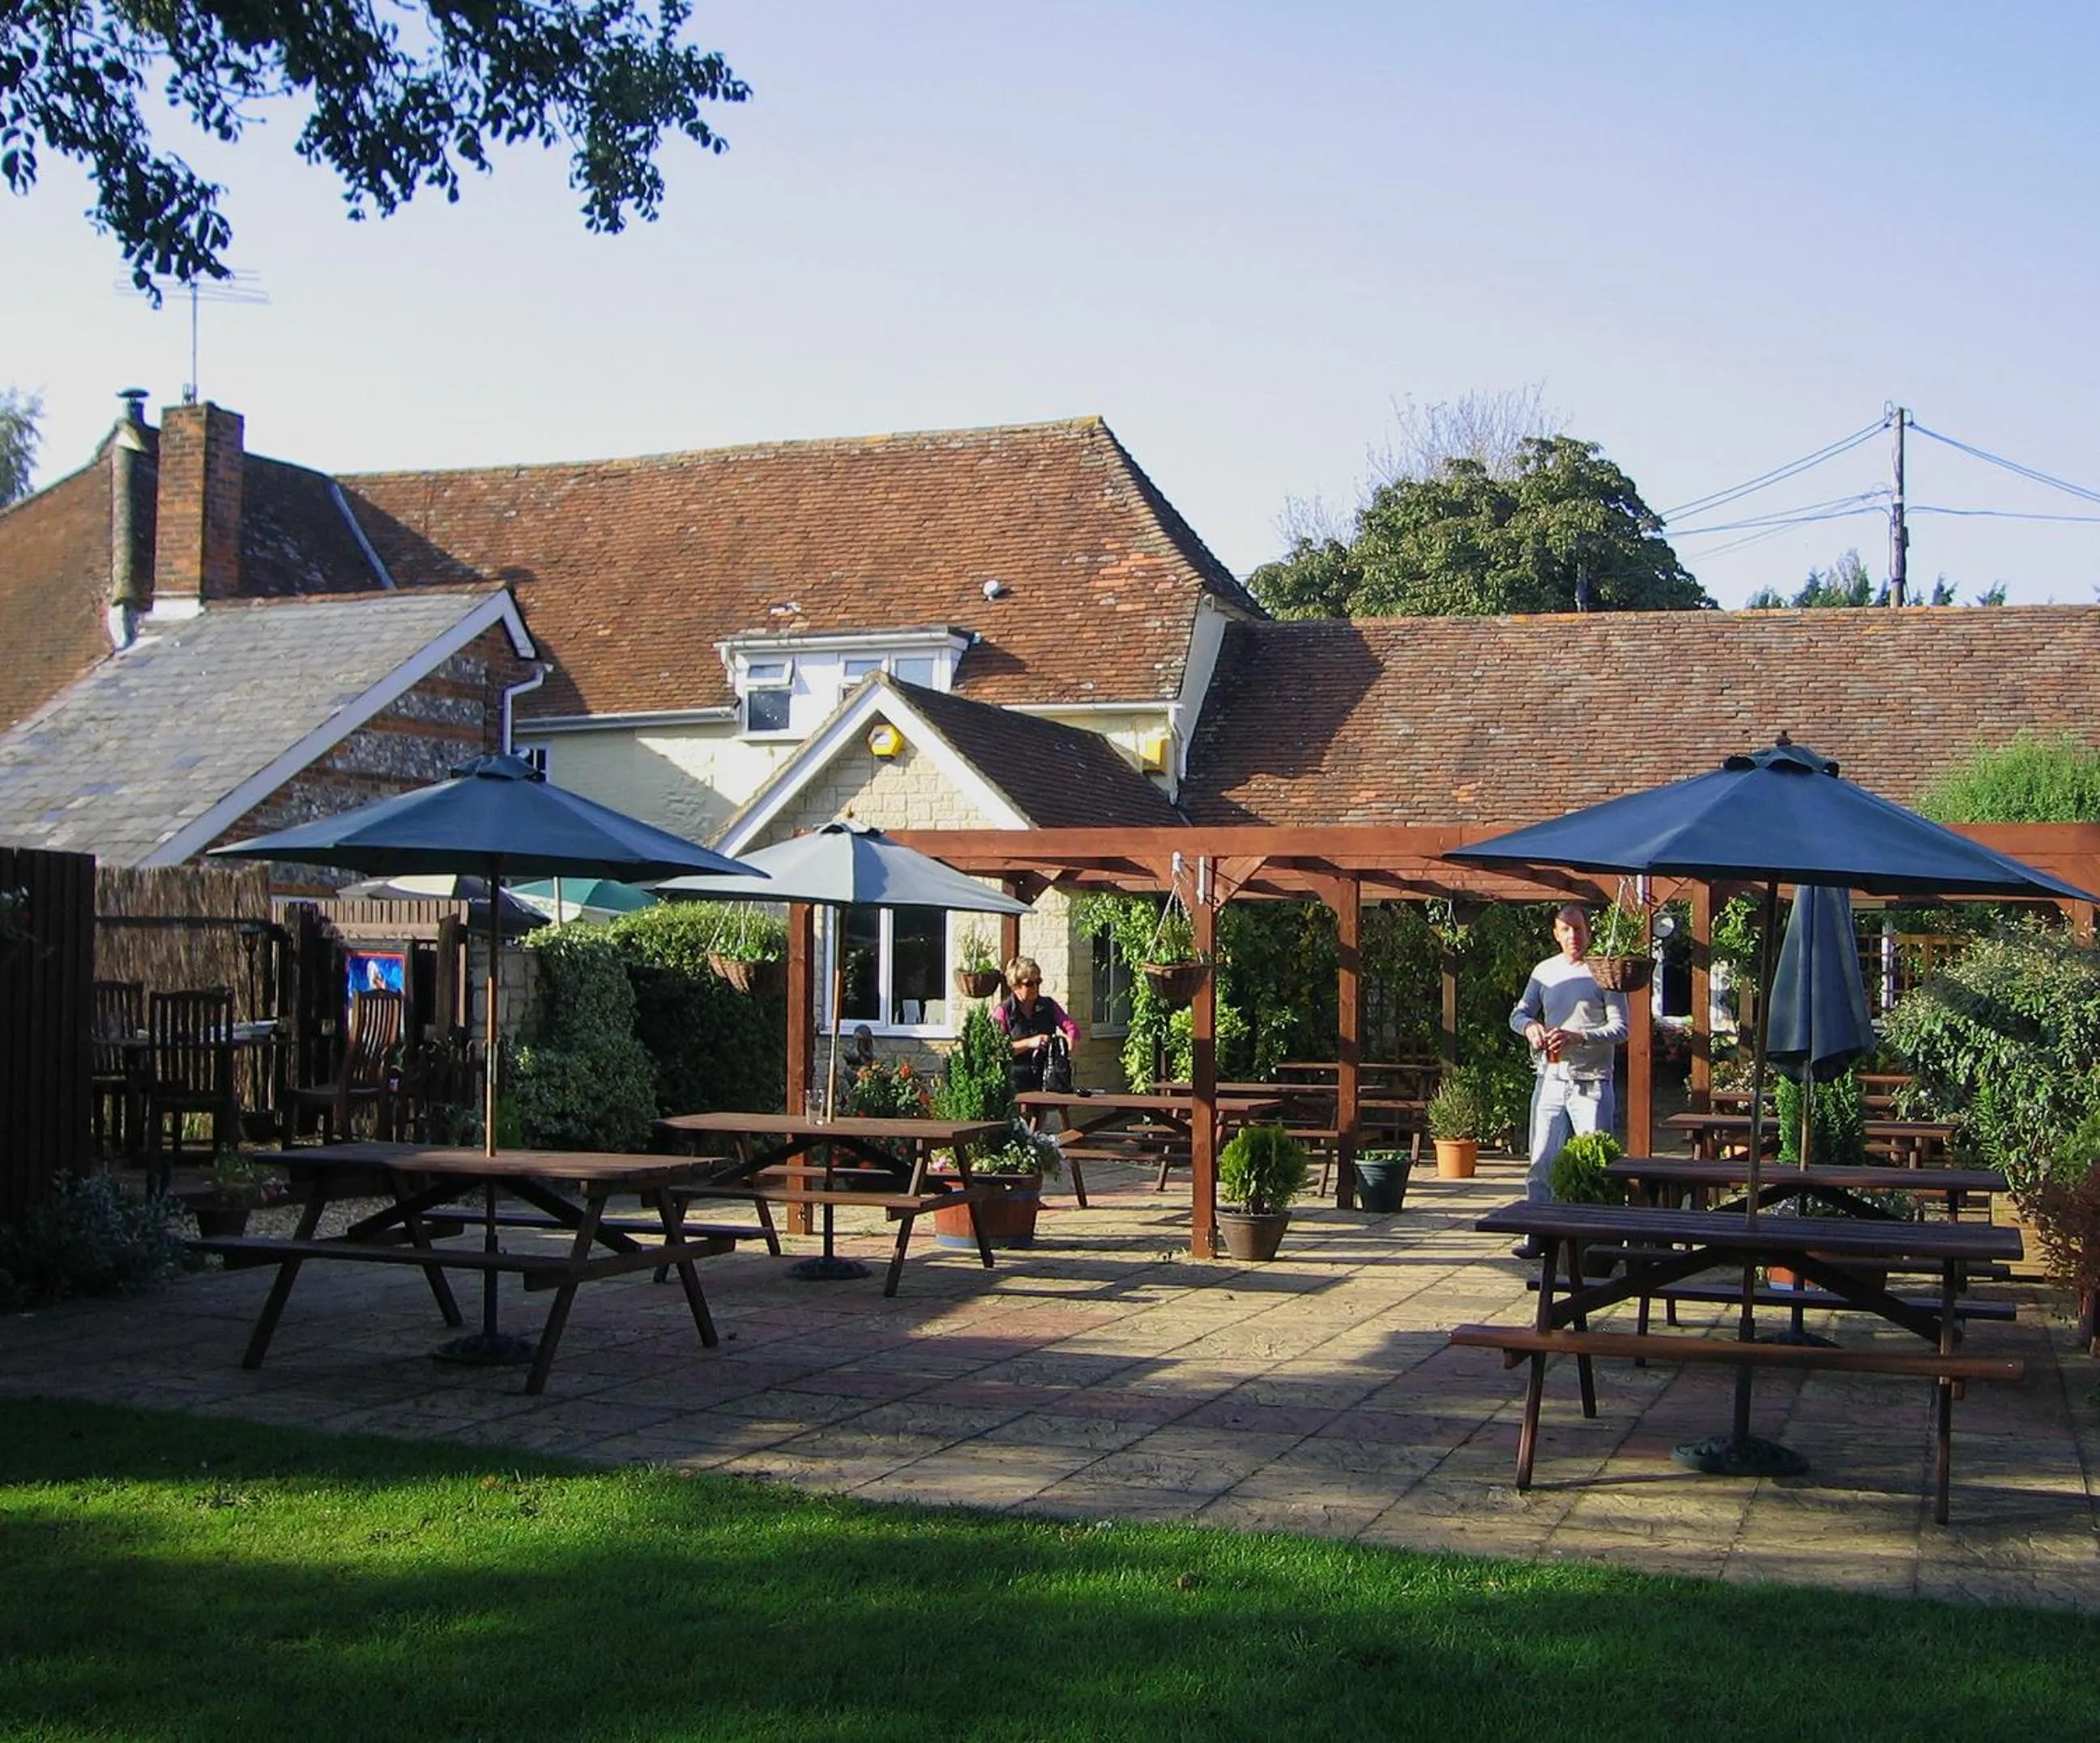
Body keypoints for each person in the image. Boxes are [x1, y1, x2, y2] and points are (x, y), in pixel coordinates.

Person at [1507, 904, 1629, 1254]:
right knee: (1541, 1157)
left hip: (1592, 1082)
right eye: (1566, 929)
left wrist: (1578, 1037)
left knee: (1594, 1163)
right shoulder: (1544, 971)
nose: (1573, 935)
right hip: (1550, 1077)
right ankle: (1537, 1234)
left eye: (1578, 928)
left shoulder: (1604, 972)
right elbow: (1519, 1013)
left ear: (1588, 932)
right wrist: (1530, 1028)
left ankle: (1596, 1240)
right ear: (1555, 934)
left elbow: (1622, 1029)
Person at [992, 955, 1081, 1093]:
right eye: (1029, 984)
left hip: (1046, 1079)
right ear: (1015, 986)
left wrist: (1067, 1049)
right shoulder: (1003, 1011)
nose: (1035, 987)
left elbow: (1072, 1029)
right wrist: (1029, 1043)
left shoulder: (1048, 1005)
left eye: (1038, 982)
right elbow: (997, 1050)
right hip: (1015, 1082)